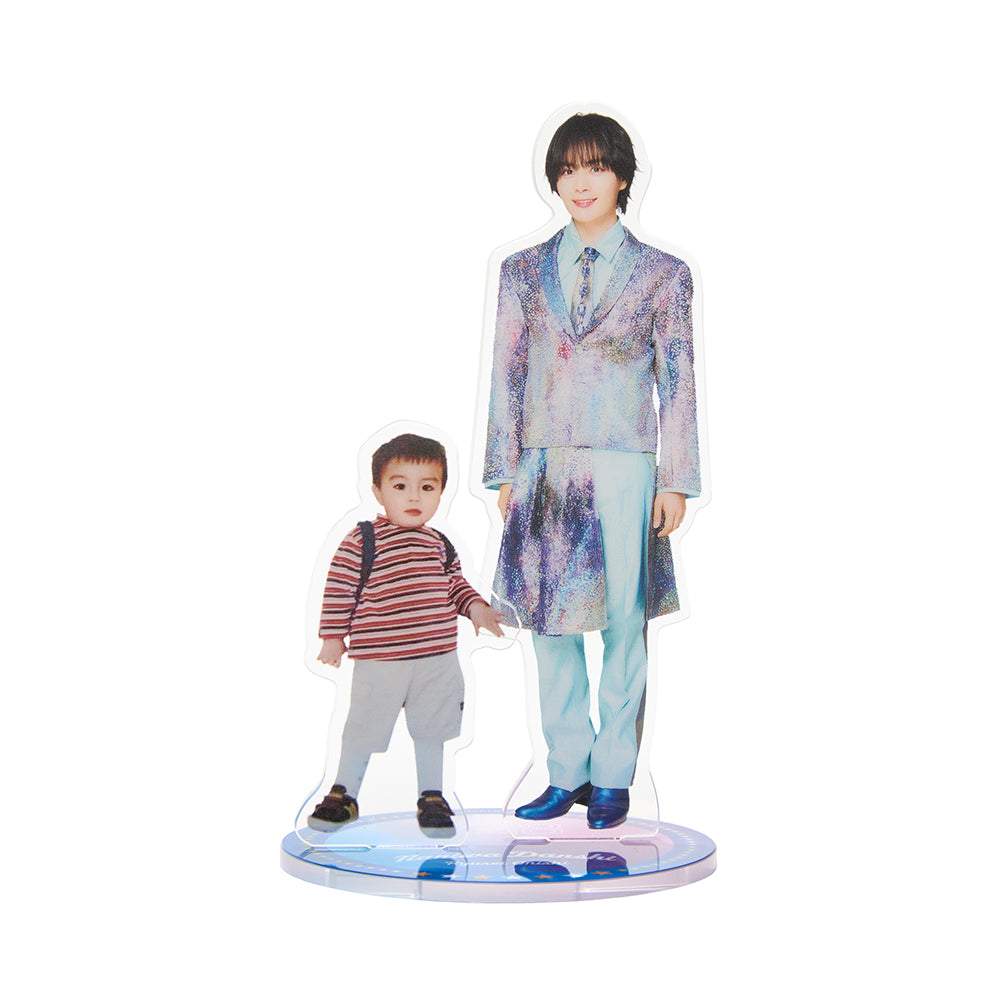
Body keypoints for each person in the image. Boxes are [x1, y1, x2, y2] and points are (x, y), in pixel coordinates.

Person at [483, 112, 701, 830]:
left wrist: (675, 479)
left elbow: (678, 381)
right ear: (554, 178)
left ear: (623, 177)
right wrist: (504, 469)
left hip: (624, 462)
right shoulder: (521, 271)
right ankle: (565, 771)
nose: (581, 183)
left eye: (596, 168)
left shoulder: (664, 275)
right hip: (544, 464)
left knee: (623, 622)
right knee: (550, 622)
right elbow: (507, 373)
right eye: (569, 169)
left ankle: (612, 776)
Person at [310, 433, 504, 835]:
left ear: (441, 492)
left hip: (437, 660)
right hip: (380, 659)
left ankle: (432, 796)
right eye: (400, 486)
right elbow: (340, 587)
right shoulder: (363, 539)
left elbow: (455, 586)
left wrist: (477, 609)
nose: (414, 497)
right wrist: (333, 636)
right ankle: (344, 793)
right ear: (378, 491)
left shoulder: (440, 544)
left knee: (433, 729)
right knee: (363, 727)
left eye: (427, 487)